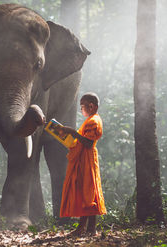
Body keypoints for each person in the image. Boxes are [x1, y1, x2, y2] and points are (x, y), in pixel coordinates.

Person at [56, 92, 106, 236]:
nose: (81, 109)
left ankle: (83, 228)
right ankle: (89, 228)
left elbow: (89, 143)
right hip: (85, 158)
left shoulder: (94, 121)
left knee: (87, 192)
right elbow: (83, 141)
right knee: (89, 192)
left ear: (91, 106)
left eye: (82, 106)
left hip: (87, 159)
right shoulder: (90, 119)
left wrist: (72, 132)